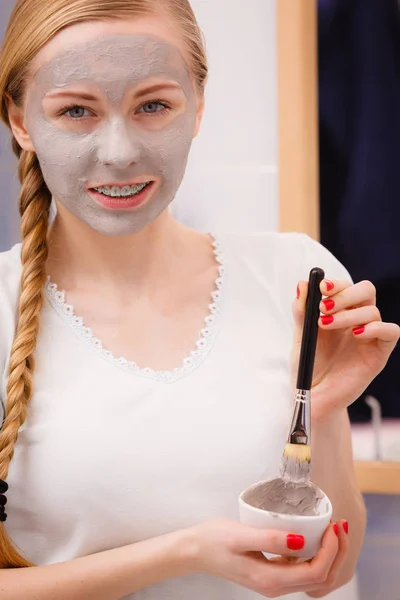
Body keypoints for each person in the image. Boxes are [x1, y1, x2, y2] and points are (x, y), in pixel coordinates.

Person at [0, 1, 398, 598]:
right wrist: (186, 552)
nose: (118, 153)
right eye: (76, 110)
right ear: (20, 121)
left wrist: (322, 406)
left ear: (198, 107)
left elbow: (329, 573)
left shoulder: (297, 276)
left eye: (153, 105)